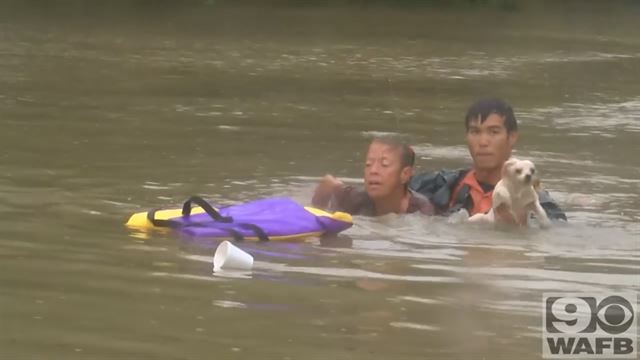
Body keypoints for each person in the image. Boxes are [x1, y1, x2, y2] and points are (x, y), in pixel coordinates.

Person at [409, 98, 567, 223]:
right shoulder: (446, 184)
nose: (483, 142)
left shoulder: (536, 200)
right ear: (466, 137)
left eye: (493, 132)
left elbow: (556, 231)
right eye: (475, 131)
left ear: (512, 137)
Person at [311, 136, 435, 216]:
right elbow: (328, 183)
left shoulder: (422, 212)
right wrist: (317, 211)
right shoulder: (356, 199)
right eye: (368, 164)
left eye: (384, 165)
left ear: (405, 174)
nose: (373, 171)